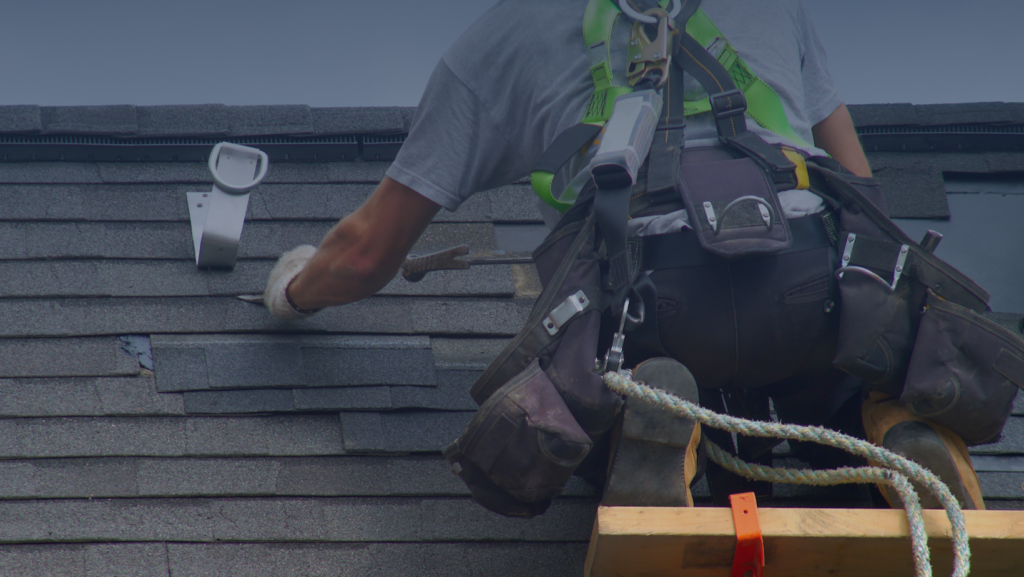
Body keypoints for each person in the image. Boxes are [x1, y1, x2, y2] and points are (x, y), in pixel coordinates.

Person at [263, 0, 985, 511]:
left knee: (596, 395)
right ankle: (888, 428)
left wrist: (292, 291)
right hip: (806, 288)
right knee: (840, 386)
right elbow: (864, 201)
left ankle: (655, 434)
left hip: (652, 306)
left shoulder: (501, 37)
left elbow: (365, 254)